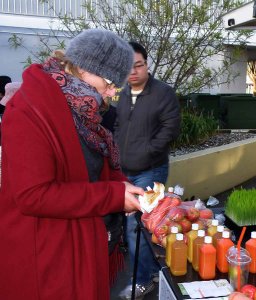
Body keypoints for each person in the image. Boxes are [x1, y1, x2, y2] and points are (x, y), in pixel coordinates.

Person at [0, 29, 144, 300]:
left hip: (79, 242)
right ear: (82, 68)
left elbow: (89, 170)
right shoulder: (29, 110)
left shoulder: (81, 108)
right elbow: (33, 195)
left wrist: (123, 189)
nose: (112, 92)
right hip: (45, 256)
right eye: (111, 81)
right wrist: (113, 196)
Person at [115, 41, 181, 299]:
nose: (133, 72)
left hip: (150, 170)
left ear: (147, 63)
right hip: (123, 171)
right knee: (138, 226)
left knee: (137, 228)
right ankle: (153, 269)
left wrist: (147, 151)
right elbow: (117, 126)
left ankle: (143, 280)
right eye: (128, 67)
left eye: (139, 65)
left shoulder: (163, 92)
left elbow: (170, 129)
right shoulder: (120, 92)